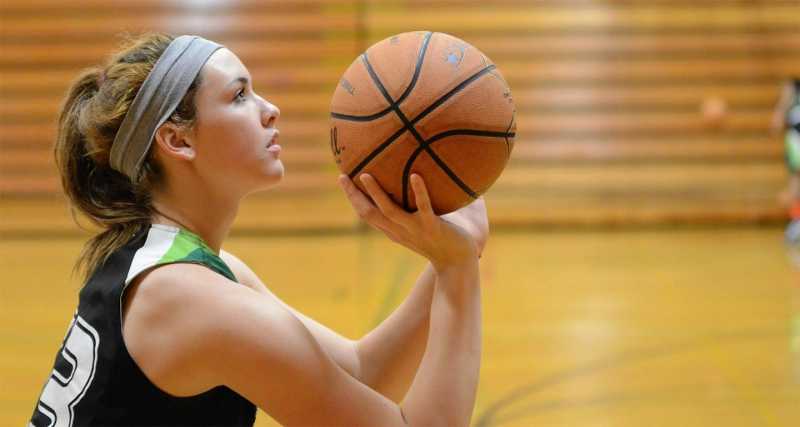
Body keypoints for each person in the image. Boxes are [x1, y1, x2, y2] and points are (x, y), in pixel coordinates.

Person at [29, 33, 488, 426]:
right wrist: (456, 270)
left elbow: (362, 371)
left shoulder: (186, 268)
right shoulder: (189, 300)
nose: (271, 110)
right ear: (178, 140)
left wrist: (455, 253)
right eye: (239, 96)